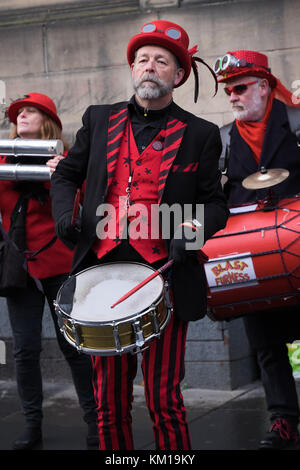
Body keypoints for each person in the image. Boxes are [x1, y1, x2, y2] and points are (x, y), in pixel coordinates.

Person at [50, 20, 228, 450]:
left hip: (164, 275)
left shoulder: (201, 134)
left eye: (161, 61)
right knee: (108, 402)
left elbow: (215, 204)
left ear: (178, 75)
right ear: (132, 69)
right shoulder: (98, 119)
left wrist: (195, 228)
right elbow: (67, 175)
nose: (150, 67)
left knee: (164, 399)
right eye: (143, 59)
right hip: (101, 276)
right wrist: (63, 218)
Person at [0, 92, 99, 450]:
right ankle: (32, 426)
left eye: (30, 111)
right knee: (24, 351)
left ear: (47, 121)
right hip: (20, 267)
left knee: (74, 346)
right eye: (19, 113)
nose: (21, 116)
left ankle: (95, 422)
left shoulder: (67, 160)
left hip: (59, 263)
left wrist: (61, 174)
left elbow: (86, 200)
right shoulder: (3, 158)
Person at [214, 50, 300, 450]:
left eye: (241, 87)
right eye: (228, 90)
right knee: (266, 345)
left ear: (265, 87)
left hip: (299, 250)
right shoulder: (223, 141)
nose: (233, 96)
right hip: (254, 258)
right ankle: (283, 420)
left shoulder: (297, 122)